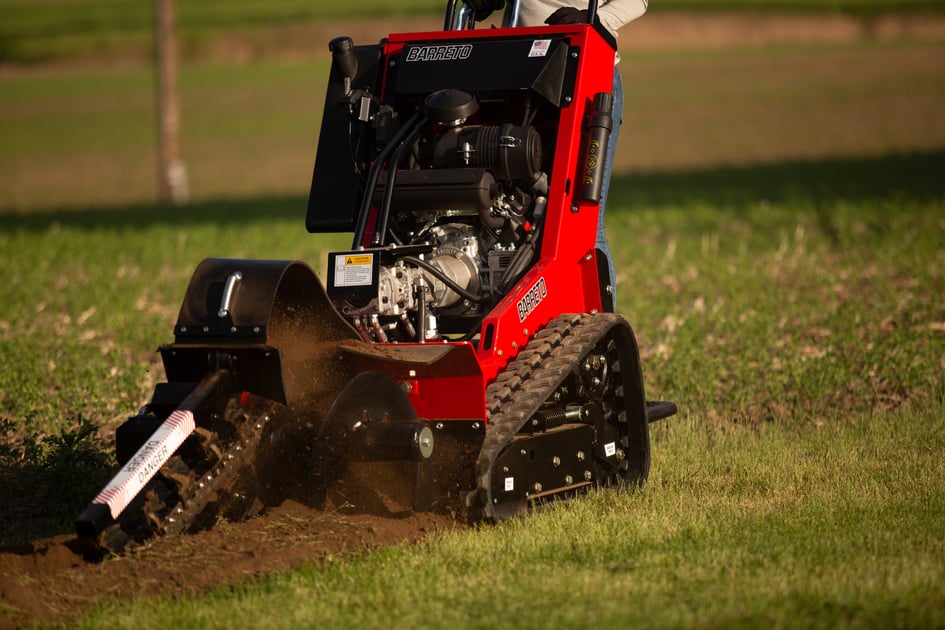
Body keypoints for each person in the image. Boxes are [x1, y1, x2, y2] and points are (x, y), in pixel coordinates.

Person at [466, 0, 648, 308]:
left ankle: (599, 336)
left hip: (581, 70)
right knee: (513, 214)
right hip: (516, 74)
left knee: (581, 223)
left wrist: (594, 21)